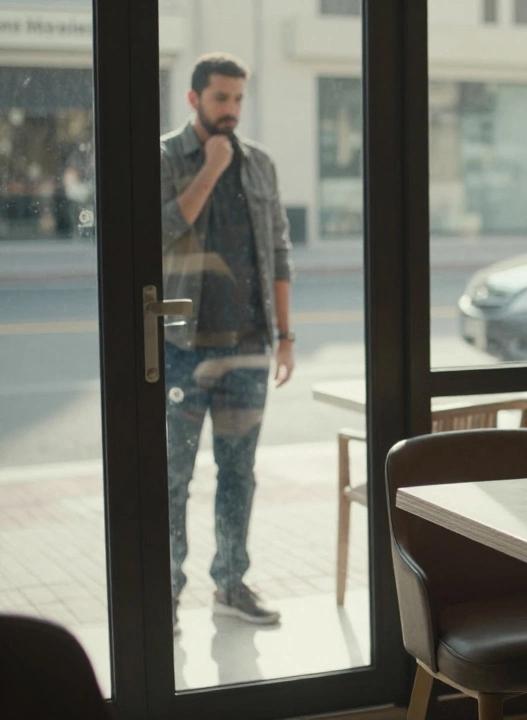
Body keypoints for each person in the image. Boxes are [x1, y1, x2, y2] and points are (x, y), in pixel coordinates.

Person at [160, 52, 295, 631]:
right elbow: (160, 233)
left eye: (238, 99)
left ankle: (230, 582)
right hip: (180, 348)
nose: (231, 110)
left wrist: (285, 337)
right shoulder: (165, 158)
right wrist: (210, 169)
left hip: (247, 347)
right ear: (194, 99)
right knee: (172, 475)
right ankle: (163, 589)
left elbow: (280, 253)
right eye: (221, 99)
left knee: (239, 471)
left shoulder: (261, 165)